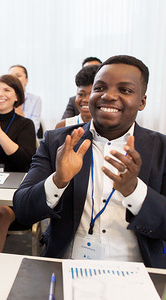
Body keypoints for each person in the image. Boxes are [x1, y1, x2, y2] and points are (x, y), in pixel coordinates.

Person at [13, 55, 166, 268]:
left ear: (142, 101)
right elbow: (23, 210)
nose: (109, 96)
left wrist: (134, 191)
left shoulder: (161, 149)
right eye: (100, 87)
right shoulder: (58, 141)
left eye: (125, 90)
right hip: (66, 269)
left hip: (138, 272)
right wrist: (58, 180)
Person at [0, 74, 36, 252]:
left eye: (6, 90)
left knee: (0, 212)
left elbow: (24, 161)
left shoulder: (26, 124)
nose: (0, 94)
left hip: (13, 195)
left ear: (17, 96)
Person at [8, 65, 42, 134]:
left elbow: (34, 130)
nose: (14, 79)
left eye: (18, 75)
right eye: (11, 76)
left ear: (26, 80)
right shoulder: (4, 99)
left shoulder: (35, 99)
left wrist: (22, 117)